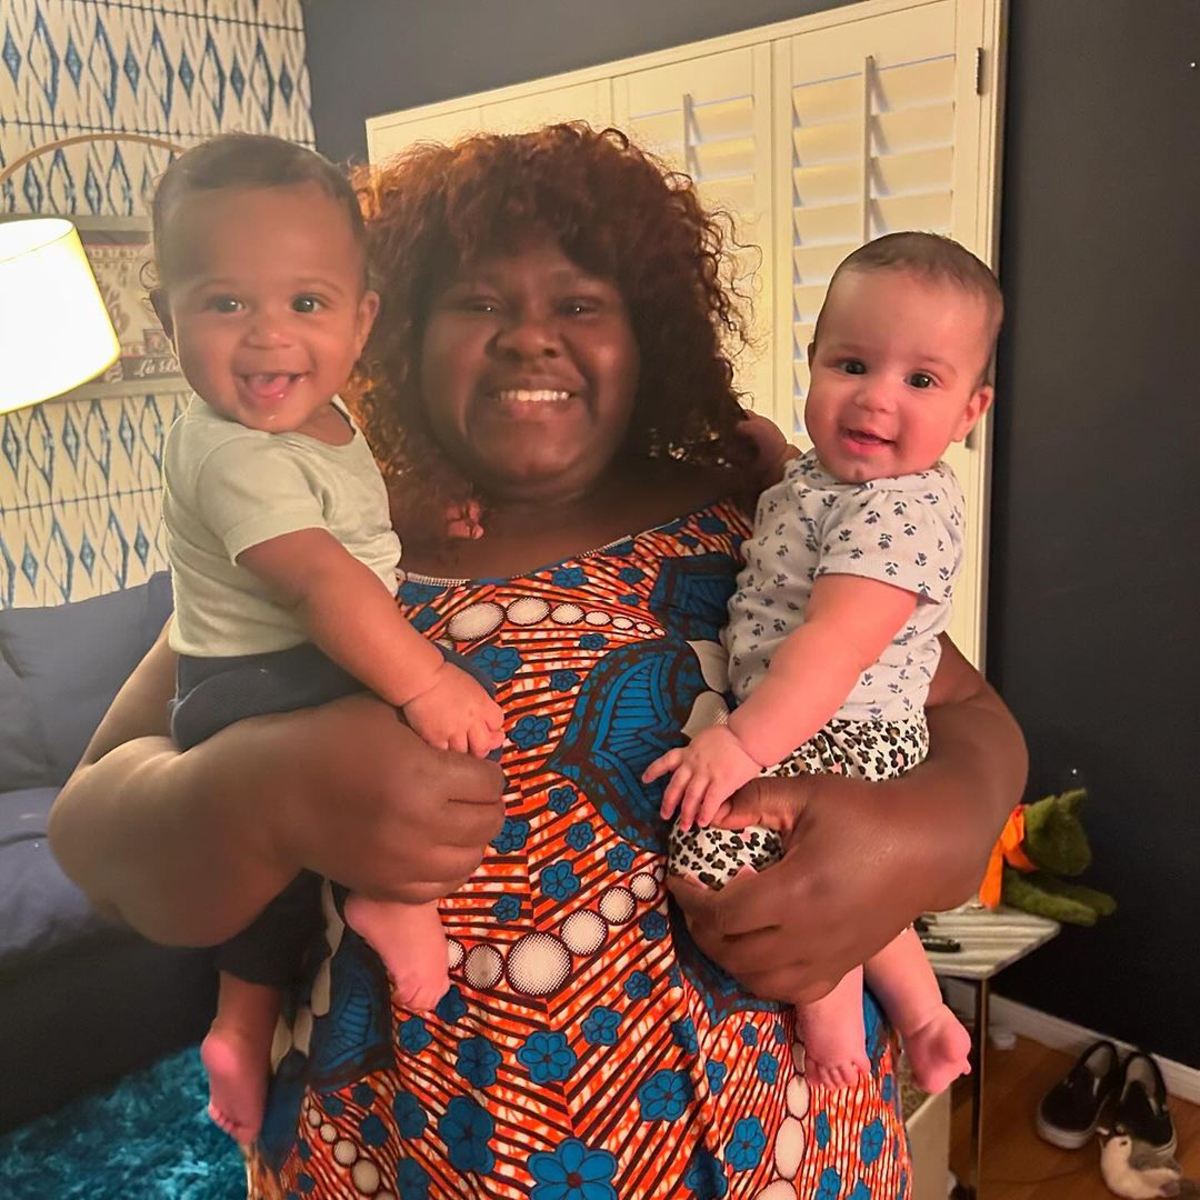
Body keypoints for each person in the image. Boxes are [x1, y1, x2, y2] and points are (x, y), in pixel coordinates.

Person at [49, 124, 1026, 1199]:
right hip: (395, 1158)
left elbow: (976, 723)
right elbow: (92, 835)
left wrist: (913, 843)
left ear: (649, 333)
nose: (529, 340)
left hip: (777, 1151)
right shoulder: (309, 555)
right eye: (476, 303)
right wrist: (265, 789)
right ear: (397, 331)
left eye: (580, 304)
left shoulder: (755, 513)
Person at [148, 132, 505, 1145]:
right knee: (388, 752)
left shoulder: (320, 421)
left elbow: (350, 534)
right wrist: (428, 680)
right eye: (225, 303)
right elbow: (316, 580)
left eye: (304, 304)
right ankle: (388, 893)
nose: (268, 339)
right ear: (163, 315)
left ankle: (237, 1025)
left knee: (276, 887)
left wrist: (415, 533)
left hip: (260, 674)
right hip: (256, 681)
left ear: (360, 322)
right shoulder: (229, 448)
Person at [644, 232, 1001, 1094]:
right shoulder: (839, 483)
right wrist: (767, 452)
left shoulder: (898, 514)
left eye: (921, 380)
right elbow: (802, 505)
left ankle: (830, 1011)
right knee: (843, 892)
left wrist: (738, 747)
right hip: (828, 725)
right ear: (812, 364)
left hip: (838, 731)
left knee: (746, 868)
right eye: (850, 365)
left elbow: (830, 649)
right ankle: (922, 1012)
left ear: (970, 412)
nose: (876, 400)